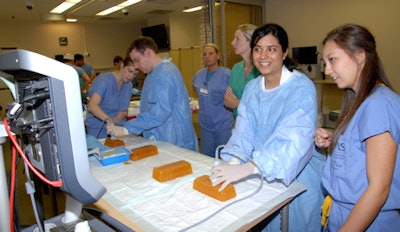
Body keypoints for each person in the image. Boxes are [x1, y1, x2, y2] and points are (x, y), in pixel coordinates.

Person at [211, 24, 325, 231]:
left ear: (284, 52)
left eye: (271, 49)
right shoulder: (253, 88)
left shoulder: (301, 88)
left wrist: (249, 168)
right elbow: (243, 132)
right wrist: (234, 161)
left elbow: (293, 142)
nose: (263, 55)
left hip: (295, 176)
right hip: (259, 171)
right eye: (257, 49)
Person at [315, 23, 400, 231]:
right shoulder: (358, 100)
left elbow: (379, 189)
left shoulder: (379, 104)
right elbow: (365, 148)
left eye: (332, 59)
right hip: (342, 213)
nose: (327, 70)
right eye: (325, 62)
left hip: (366, 221)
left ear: (360, 55)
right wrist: (335, 139)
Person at [107, 36, 198, 152]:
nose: (135, 66)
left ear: (148, 53)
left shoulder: (164, 74)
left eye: (136, 60)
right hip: (162, 138)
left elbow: (159, 112)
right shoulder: (154, 73)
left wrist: (127, 129)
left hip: (173, 141)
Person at [192, 43, 233, 157]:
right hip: (205, 126)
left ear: (218, 56)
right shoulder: (198, 75)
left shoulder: (227, 75)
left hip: (222, 125)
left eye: (211, 53)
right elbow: (198, 91)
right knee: (207, 157)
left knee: (225, 157)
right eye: (204, 54)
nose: (207, 57)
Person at [85, 56, 138, 138]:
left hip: (118, 128)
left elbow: (123, 107)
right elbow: (92, 106)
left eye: (135, 74)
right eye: (129, 71)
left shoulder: (128, 85)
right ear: (122, 65)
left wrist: (124, 113)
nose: (131, 76)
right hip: (98, 128)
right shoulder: (104, 80)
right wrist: (108, 120)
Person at [224, 24, 260, 118]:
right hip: (239, 121)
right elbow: (228, 100)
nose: (232, 43)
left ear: (251, 42)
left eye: (237, 39)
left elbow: (266, 103)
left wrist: (238, 103)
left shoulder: (262, 69)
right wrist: (234, 102)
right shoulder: (236, 68)